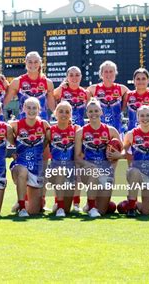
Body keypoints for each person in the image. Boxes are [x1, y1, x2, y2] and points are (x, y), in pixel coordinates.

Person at [109, 106, 149, 217]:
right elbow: (124, 151)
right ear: (137, 118)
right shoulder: (131, 134)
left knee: (147, 212)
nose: (145, 118)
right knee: (134, 171)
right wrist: (119, 155)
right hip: (135, 172)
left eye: (147, 115)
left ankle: (131, 204)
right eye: (142, 115)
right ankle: (131, 208)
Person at [74, 100, 121, 218]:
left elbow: (122, 150)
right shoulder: (81, 132)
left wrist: (118, 156)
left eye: (96, 111)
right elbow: (77, 157)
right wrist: (89, 165)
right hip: (88, 170)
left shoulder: (111, 130)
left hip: (106, 171)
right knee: (94, 172)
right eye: (90, 111)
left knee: (103, 211)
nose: (93, 113)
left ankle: (91, 205)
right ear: (87, 113)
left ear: (101, 112)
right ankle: (92, 206)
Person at [53, 66, 90, 210]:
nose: (74, 78)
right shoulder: (62, 90)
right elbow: (51, 96)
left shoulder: (85, 93)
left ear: (81, 77)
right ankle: (59, 201)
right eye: (71, 75)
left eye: (77, 75)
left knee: (78, 168)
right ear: (67, 76)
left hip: (79, 133)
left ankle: (76, 202)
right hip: (63, 131)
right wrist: (61, 86)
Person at [9, 97, 50, 217]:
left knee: (34, 211)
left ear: (39, 110)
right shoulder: (15, 125)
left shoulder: (44, 124)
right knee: (22, 171)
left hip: (36, 167)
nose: (31, 110)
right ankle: (21, 206)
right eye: (28, 107)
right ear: (23, 109)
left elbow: (47, 140)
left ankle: (24, 203)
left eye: (34, 108)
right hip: (20, 165)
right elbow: (4, 132)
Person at [47, 101, 79, 217]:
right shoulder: (50, 131)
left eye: (67, 112)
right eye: (61, 111)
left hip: (70, 170)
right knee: (60, 171)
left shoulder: (76, 130)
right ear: (55, 113)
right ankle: (59, 206)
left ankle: (60, 204)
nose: (64, 114)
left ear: (71, 114)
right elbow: (44, 152)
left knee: (67, 210)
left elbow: (79, 153)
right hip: (55, 169)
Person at [4, 51, 55, 121]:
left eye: (36, 62)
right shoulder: (17, 82)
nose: (33, 64)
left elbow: (52, 107)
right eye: (30, 62)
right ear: (25, 62)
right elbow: (4, 102)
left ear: (40, 63)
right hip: (23, 123)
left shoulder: (48, 83)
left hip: (42, 123)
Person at [87, 61, 130, 133]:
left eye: (111, 71)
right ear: (101, 74)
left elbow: (138, 95)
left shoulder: (122, 89)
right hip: (98, 131)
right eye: (106, 71)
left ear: (115, 73)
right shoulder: (93, 89)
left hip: (117, 130)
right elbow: (77, 93)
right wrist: (66, 84)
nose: (108, 74)